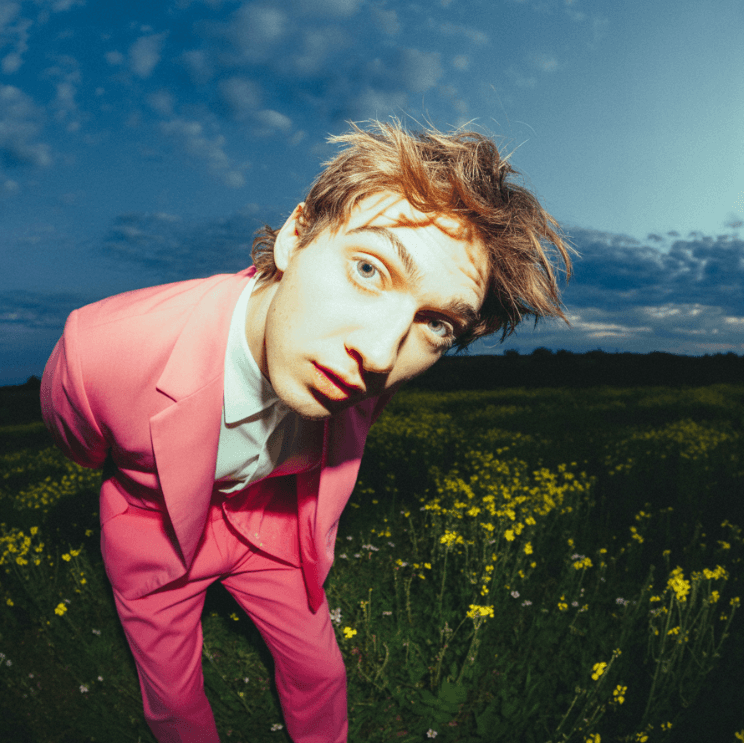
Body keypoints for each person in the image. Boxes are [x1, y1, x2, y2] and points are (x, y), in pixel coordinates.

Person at [40, 119, 572, 743]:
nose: (379, 354)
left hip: (273, 525)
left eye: (435, 324)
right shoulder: (99, 355)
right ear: (296, 237)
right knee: (174, 700)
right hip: (155, 532)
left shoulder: (373, 366)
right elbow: (84, 448)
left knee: (321, 673)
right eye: (369, 269)